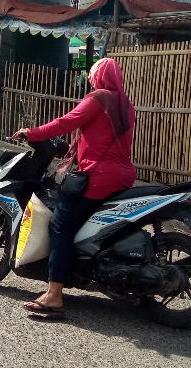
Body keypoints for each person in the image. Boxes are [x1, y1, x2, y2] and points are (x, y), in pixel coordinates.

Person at [14, 57, 136, 317]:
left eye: (93, 74)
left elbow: (67, 122)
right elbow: (99, 136)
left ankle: (55, 294)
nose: (91, 79)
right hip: (123, 175)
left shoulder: (99, 98)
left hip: (98, 176)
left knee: (60, 225)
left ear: (99, 77)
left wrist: (32, 133)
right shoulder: (126, 104)